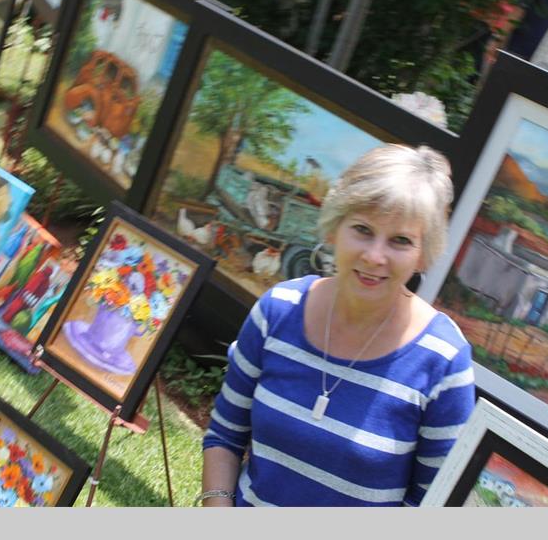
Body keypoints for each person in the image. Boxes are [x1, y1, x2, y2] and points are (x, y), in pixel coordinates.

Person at [198, 144, 475, 507]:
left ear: (423, 254)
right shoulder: (277, 310)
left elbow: (432, 504)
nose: (374, 256)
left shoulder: (444, 360)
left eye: (400, 240)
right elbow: (224, 435)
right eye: (362, 229)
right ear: (334, 228)